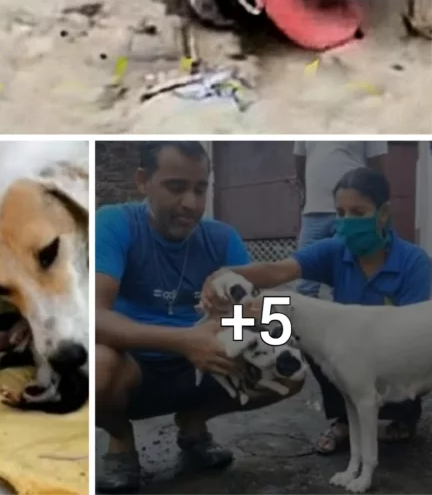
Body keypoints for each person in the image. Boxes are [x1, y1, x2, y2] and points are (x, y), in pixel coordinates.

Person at [95, 141, 302, 494]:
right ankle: (121, 442)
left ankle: (193, 425)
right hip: (134, 365)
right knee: (96, 365)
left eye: (200, 189)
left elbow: (266, 315)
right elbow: (92, 316)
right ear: (143, 181)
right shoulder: (115, 223)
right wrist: (185, 340)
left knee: (289, 370)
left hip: (205, 366)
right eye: (176, 188)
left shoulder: (221, 237)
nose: (190, 203)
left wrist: (237, 316)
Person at [201, 166, 430, 456]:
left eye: (358, 213)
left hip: (397, 360)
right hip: (350, 355)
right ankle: (343, 420)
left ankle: (401, 417)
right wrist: (222, 275)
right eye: (341, 213)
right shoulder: (335, 250)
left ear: (384, 214)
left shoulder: (413, 262)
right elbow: (277, 271)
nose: (347, 222)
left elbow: (412, 337)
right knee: (310, 330)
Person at [295, 141, 387, 297]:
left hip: (352, 216)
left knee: (349, 276)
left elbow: (377, 164)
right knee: (305, 281)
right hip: (313, 212)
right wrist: (305, 193)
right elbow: (299, 158)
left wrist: (374, 203)